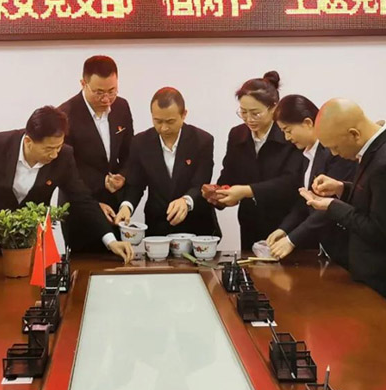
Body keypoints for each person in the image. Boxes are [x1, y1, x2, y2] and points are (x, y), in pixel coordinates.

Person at [0, 106, 133, 263]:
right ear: (28, 142)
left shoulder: (64, 156)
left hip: (33, 240)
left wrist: (110, 241)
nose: (54, 155)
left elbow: (82, 199)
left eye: (58, 147)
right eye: (48, 149)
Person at [299, 98, 386, 312]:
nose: (334, 153)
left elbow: (379, 230)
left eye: (335, 147)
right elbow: (375, 198)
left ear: (354, 134)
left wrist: (332, 206)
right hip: (376, 270)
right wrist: (341, 188)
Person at [206, 72, 303, 251]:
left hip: (286, 225)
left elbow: (291, 182)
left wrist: (246, 191)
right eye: (243, 112)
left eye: (255, 113)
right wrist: (219, 195)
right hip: (250, 223)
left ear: (274, 108)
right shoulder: (237, 135)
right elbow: (230, 173)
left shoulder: (288, 135)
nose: (249, 119)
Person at [265, 95, 356, 264]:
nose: (287, 138)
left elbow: (329, 205)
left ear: (307, 123)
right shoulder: (307, 154)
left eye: (288, 130)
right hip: (325, 247)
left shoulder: (335, 152)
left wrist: (292, 240)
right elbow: (306, 200)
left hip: (345, 247)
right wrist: (284, 229)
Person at [116, 88, 219, 237]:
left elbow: (200, 183)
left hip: (196, 225)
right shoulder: (140, 142)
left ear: (184, 114)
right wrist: (127, 206)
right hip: (158, 225)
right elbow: (136, 184)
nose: (164, 128)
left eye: (170, 121)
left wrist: (186, 201)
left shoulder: (202, 141)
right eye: (157, 121)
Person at [58, 56, 134, 244]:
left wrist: (123, 176)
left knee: (117, 257)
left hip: (114, 204)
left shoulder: (122, 107)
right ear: (83, 84)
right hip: (79, 206)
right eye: (99, 92)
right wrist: (100, 183)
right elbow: (66, 169)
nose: (106, 99)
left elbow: (129, 152)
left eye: (112, 91)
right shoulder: (65, 115)